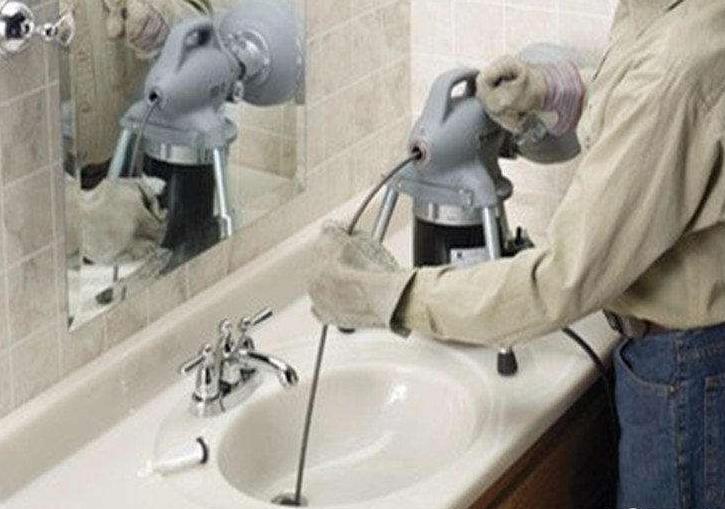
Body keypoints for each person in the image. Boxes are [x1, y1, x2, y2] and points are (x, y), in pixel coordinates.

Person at [308, 1, 725, 508]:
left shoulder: (675, 68)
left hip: (689, 378)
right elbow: (671, 115)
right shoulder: (670, 17)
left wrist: (387, 295)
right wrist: (558, 93)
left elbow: (557, 283)